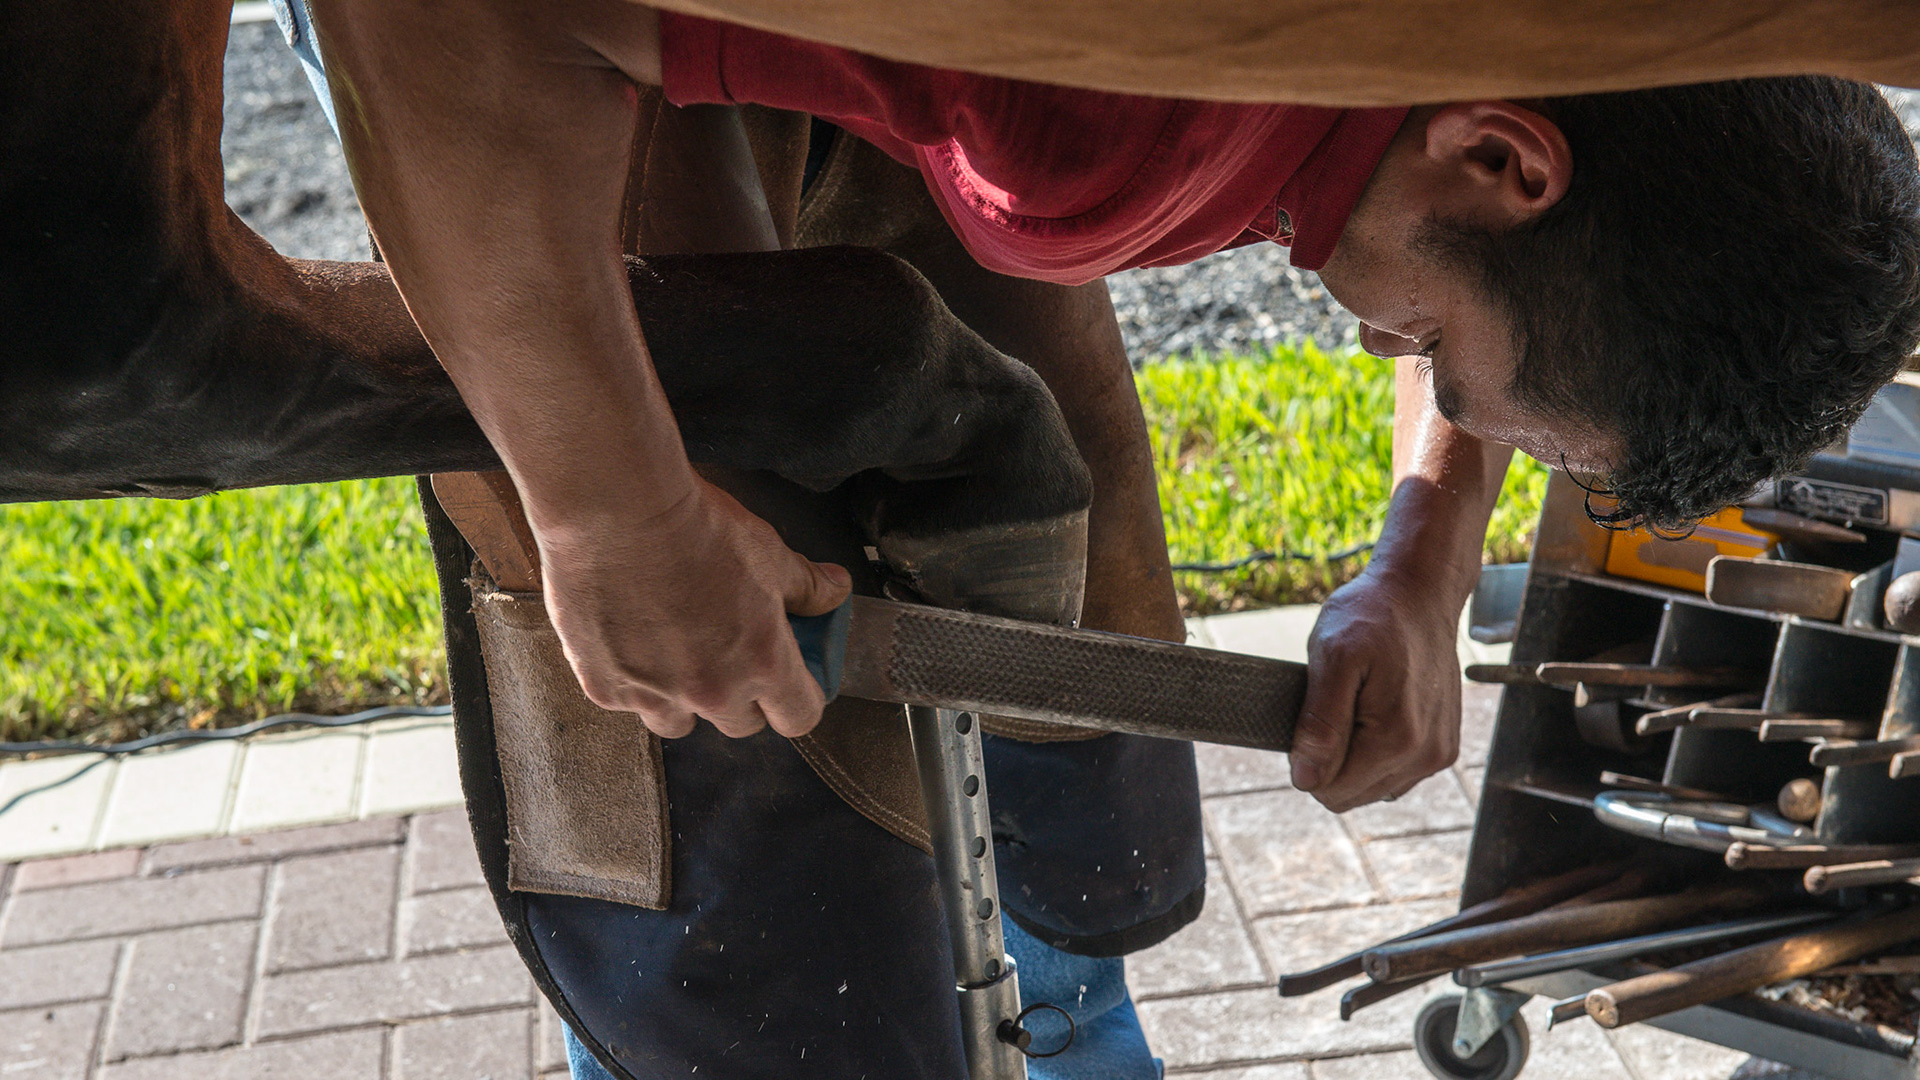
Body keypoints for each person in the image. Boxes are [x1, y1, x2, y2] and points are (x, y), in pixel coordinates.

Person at [289, 1, 1920, 1075]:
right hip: (494, 35)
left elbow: (1578, 208)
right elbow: (449, 16)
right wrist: (611, 509)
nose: (1398, 364)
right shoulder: (1093, 98)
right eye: (1436, 356)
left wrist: (1425, 548)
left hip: (1015, 74)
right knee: (751, 876)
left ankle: (1051, 1008)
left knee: (1068, 707)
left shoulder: (1642, 42)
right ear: (1497, 156)